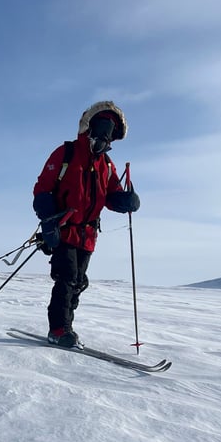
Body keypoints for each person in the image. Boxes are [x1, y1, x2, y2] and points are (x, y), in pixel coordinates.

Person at [32, 101, 140, 349]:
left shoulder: (107, 165)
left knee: (79, 281)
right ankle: (59, 329)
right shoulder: (66, 153)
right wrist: (49, 224)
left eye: (110, 131)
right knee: (67, 278)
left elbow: (111, 195)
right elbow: (42, 190)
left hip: (89, 235)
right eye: (102, 127)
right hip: (63, 229)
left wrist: (126, 201)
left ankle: (66, 325)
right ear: (89, 127)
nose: (105, 135)